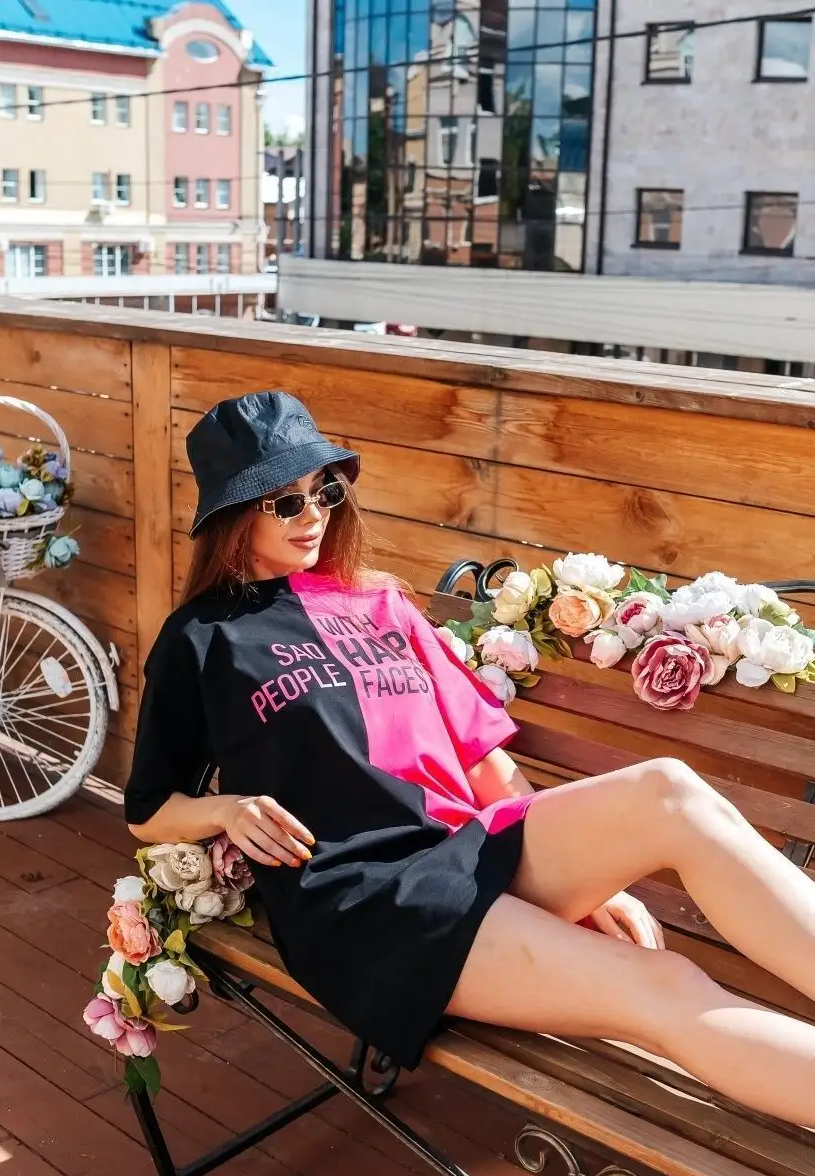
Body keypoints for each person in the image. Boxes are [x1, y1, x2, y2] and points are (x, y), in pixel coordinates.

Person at [126, 390, 815, 1126]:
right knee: (665, 984)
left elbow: (484, 761)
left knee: (669, 790)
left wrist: (592, 874)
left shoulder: (380, 604)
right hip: (369, 902)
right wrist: (227, 809)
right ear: (235, 514)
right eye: (286, 503)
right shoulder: (202, 639)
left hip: (468, 851)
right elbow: (148, 809)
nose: (314, 516)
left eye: (324, 491)